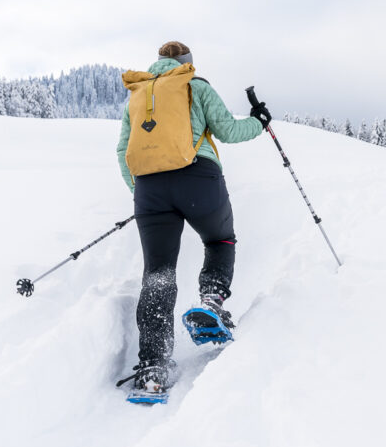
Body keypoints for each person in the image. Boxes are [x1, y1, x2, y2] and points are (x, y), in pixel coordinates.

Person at [115, 40, 271, 401]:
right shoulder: (195, 86)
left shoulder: (139, 95)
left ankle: (152, 368)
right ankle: (210, 303)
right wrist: (259, 122)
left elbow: (124, 151)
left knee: (158, 272)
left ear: (157, 64)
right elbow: (229, 131)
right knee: (220, 240)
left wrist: (139, 192)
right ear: (187, 63)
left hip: (150, 191)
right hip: (198, 177)